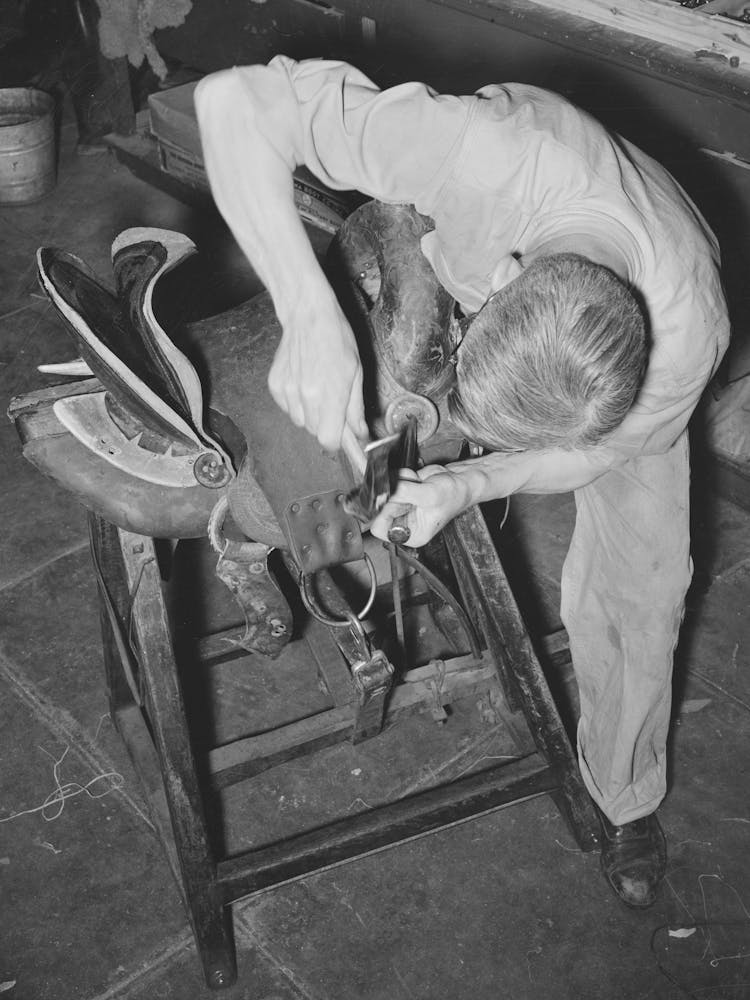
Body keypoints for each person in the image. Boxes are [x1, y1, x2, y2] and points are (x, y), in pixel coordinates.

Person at [194, 56, 730, 908]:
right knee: (348, 388)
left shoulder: (686, 336)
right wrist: (307, 311)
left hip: (620, 347)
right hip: (477, 229)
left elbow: (593, 454)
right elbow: (231, 98)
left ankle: (626, 791)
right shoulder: (485, 155)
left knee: (647, 588)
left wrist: (469, 484)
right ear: (506, 279)